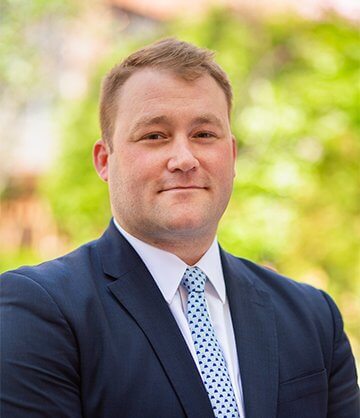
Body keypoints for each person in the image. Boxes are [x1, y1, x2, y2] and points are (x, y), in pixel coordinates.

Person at [0, 38, 358, 418]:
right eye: (155, 136)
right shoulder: (38, 311)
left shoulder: (312, 317)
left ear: (232, 155)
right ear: (105, 160)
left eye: (204, 135)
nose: (184, 159)